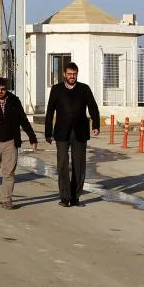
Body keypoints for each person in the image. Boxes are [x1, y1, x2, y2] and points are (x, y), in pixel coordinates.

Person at [44, 62, 101, 207]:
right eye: (69, 74)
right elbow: (50, 111)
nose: (72, 77)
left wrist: (96, 125)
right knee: (62, 163)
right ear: (64, 74)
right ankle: (64, 197)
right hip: (62, 132)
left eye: (74, 74)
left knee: (79, 165)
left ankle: (75, 198)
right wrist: (48, 132)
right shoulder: (56, 89)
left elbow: (93, 107)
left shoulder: (84, 89)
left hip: (80, 132)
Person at [0, 77, 38, 210]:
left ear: (7, 89)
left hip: (10, 142)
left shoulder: (14, 100)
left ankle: (7, 200)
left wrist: (32, 138)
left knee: (9, 173)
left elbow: (23, 120)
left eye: (3, 89)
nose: (0, 91)